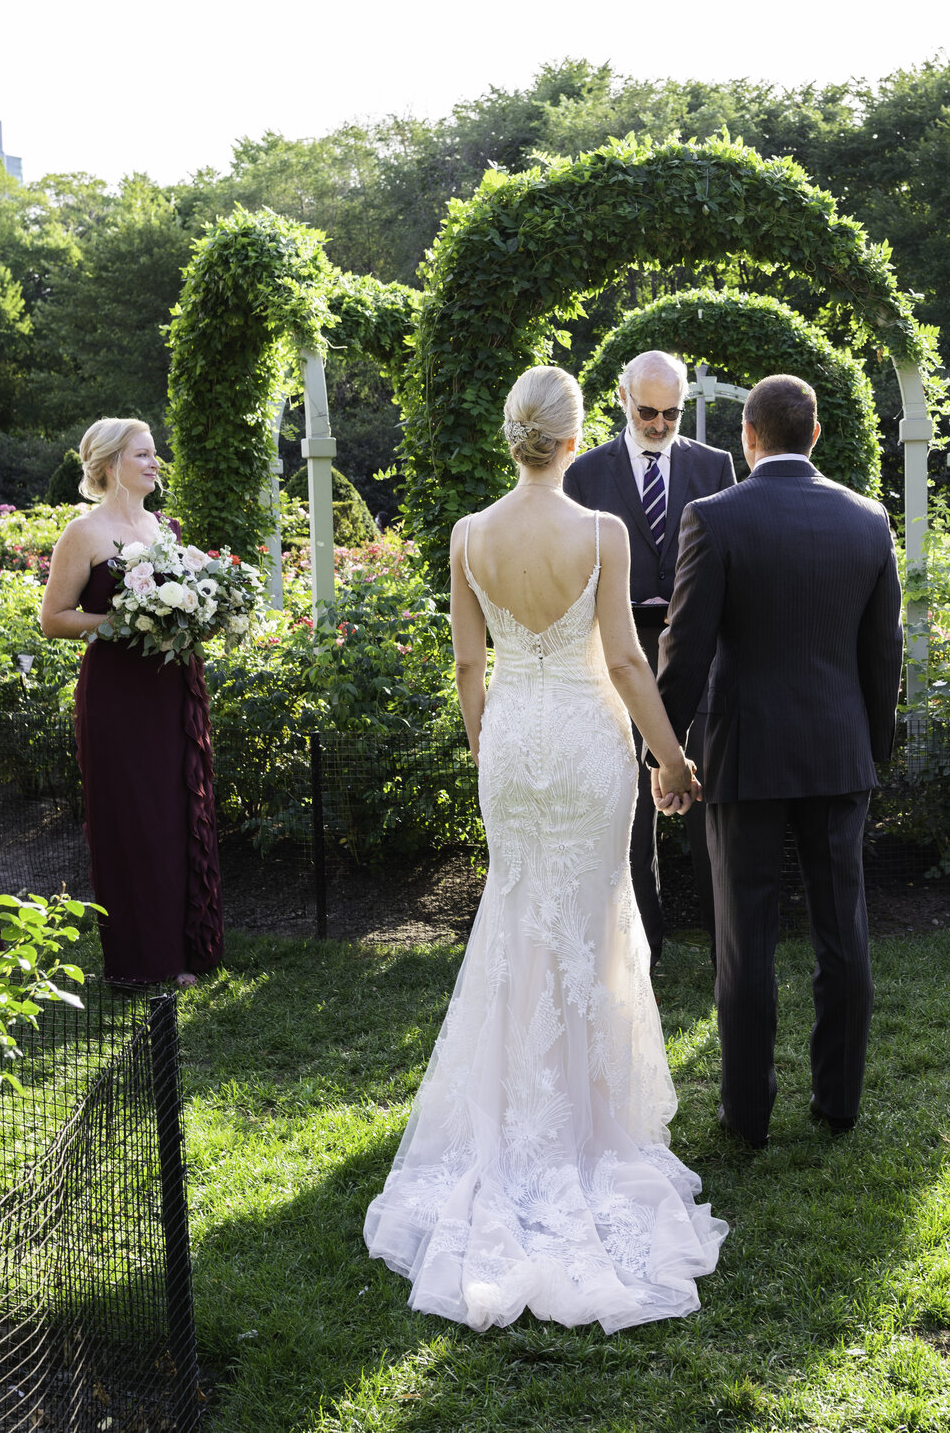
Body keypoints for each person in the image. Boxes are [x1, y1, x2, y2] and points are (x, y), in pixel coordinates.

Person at [365, 365, 728, 1332]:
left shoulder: (469, 535)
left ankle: (515, 1123)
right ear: (575, 440)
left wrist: (487, 743)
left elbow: (468, 663)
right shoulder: (601, 533)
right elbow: (620, 659)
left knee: (520, 919)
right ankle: (582, 1130)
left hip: (514, 746)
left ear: (515, 438)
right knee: (592, 923)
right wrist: (673, 757)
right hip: (584, 742)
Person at [656, 374, 903, 1149]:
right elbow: (883, 653)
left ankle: (748, 1113)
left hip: (744, 755)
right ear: (817, 435)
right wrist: (873, 750)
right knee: (843, 935)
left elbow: (685, 649)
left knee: (745, 940)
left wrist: (666, 756)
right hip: (838, 755)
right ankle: (838, 1103)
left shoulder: (714, 517)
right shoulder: (868, 519)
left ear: (748, 437)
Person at [561, 349, 737, 964]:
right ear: (622, 398)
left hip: (698, 654)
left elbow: (729, 563)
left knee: (708, 815)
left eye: (671, 412)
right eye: (647, 411)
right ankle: (642, 953)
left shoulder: (716, 466)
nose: (659, 423)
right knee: (631, 817)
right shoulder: (583, 475)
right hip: (618, 653)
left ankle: (727, 952)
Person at [40, 418, 222, 987]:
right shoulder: (84, 533)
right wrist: (121, 622)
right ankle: (143, 959)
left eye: (154, 454)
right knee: (132, 819)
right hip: (118, 695)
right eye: (143, 454)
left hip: (172, 686)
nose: (155, 462)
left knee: (174, 812)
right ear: (111, 463)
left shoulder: (161, 528)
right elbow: (54, 620)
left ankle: (187, 948)